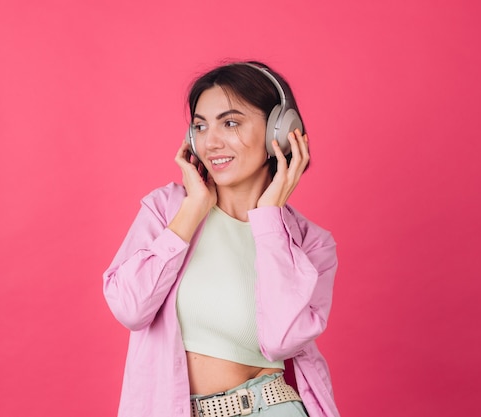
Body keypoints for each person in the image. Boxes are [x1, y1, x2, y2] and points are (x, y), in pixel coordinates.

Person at [103, 60, 339, 417]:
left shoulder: (311, 244)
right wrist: (194, 208)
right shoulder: (166, 210)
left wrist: (270, 219)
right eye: (200, 126)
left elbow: (280, 340)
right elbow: (130, 308)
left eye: (230, 123)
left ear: (280, 131)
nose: (211, 142)